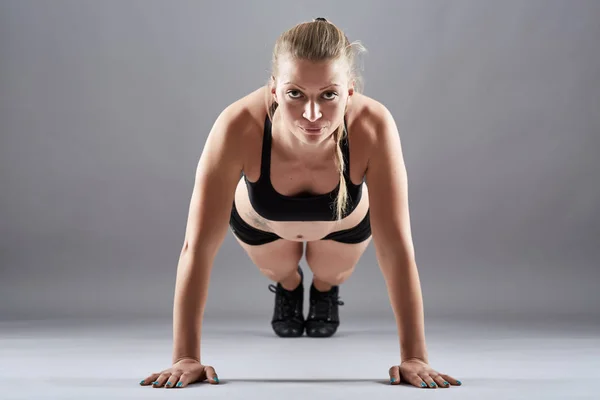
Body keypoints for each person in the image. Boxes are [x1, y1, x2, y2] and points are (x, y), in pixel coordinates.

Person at [139, 17, 462, 390]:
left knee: (331, 273)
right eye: (296, 94)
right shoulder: (237, 125)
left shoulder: (374, 126)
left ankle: (323, 290)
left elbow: (396, 248)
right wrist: (186, 356)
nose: (313, 115)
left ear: (350, 91)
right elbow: (197, 247)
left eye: (329, 95)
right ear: (275, 89)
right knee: (280, 270)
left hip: (343, 221)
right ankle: (290, 287)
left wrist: (414, 357)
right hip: (264, 222)